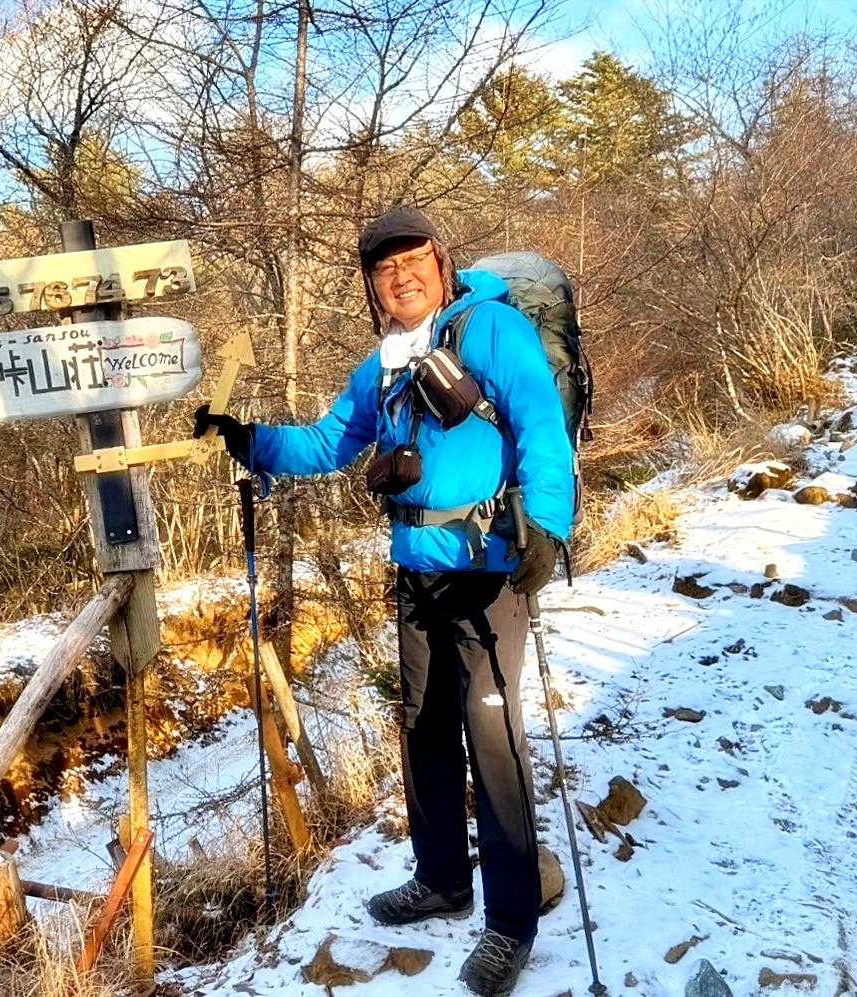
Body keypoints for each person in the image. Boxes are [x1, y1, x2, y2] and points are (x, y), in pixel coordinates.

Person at [194, 205, 574, 996]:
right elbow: (330, 441)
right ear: (372, 285)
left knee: (493, 742)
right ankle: (441, 877)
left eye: (412, 261)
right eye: (384, 268)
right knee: (424, 726)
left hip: (488, 570)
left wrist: (545, 526)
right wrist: (253, 438)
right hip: (415, 572)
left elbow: (542, 425)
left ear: (441, 260)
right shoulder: (385, 366)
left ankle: (510, 921)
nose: (400, 277)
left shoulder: (492, 329)